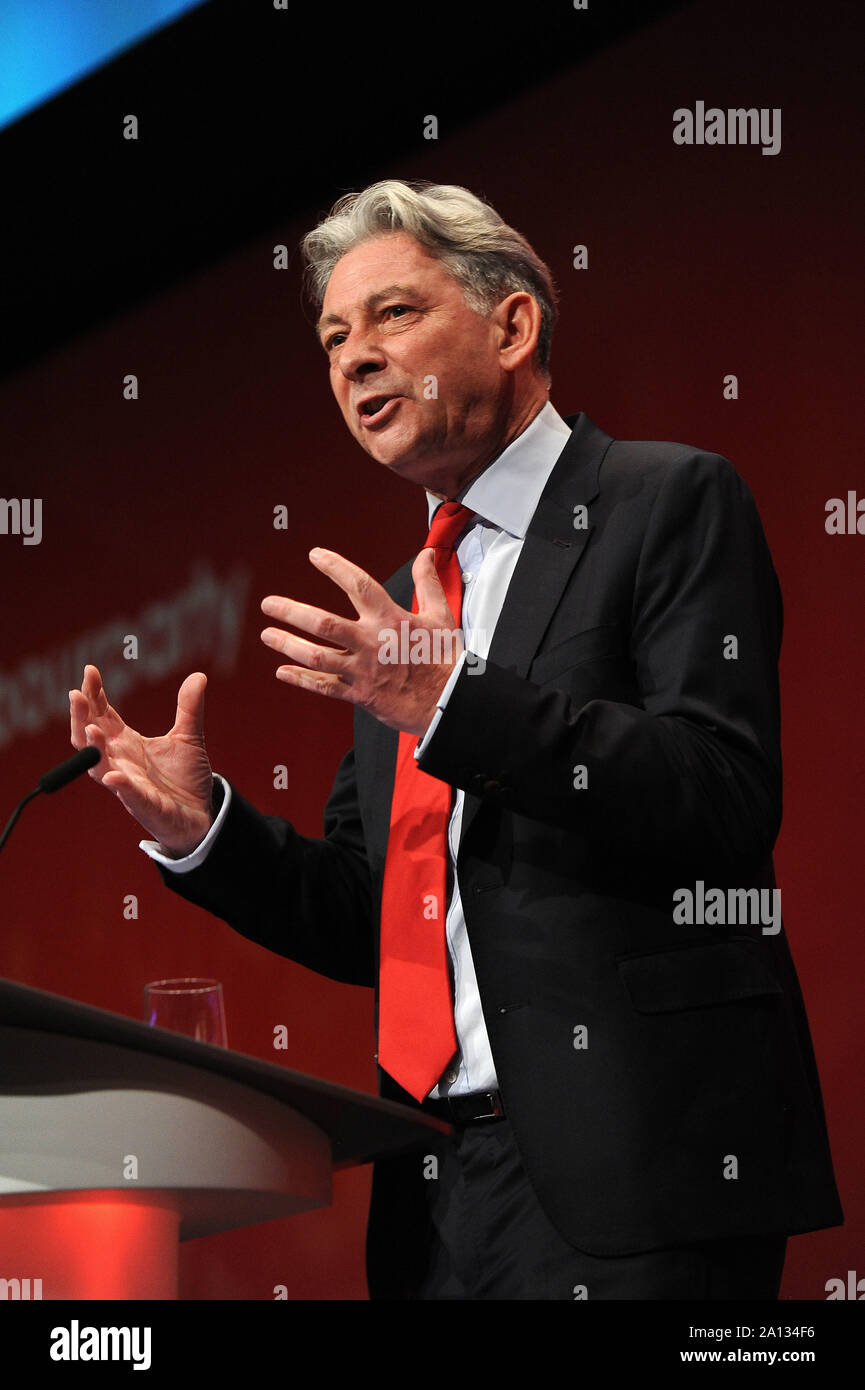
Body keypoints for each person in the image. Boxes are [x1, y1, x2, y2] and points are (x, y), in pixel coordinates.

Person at [69, 180, 843, 1300]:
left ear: (513, 323)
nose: (354, 358)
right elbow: (368, 911)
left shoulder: (664, 500)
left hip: (639, 1171)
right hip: (434, 1196)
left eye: (391, 316)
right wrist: (206, 833)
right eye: (333, 338)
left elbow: (721, 793)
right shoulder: (402, 598)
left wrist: (451, 706)